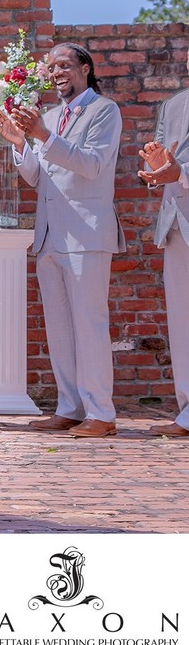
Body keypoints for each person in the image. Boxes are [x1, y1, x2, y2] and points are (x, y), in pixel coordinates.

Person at [0, 43, 125, 438]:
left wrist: (44, 136)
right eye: (51, 68)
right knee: (60, 329)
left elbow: (91, 164)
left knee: (90, 325)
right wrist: (19, 143)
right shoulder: (49, 116)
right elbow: (38, 177)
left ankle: (102, 413)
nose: (56, 73)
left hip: (86, 235)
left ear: (85, 67)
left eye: (64, 65)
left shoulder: (105, 111)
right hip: (50, 236)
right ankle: (70, 406)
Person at [138, 51, 189, 437]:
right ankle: (187, 413)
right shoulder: (173, 104)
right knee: (182, 323)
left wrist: (180, 173)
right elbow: (160, 158)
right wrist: (156, 170)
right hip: (176, 224)